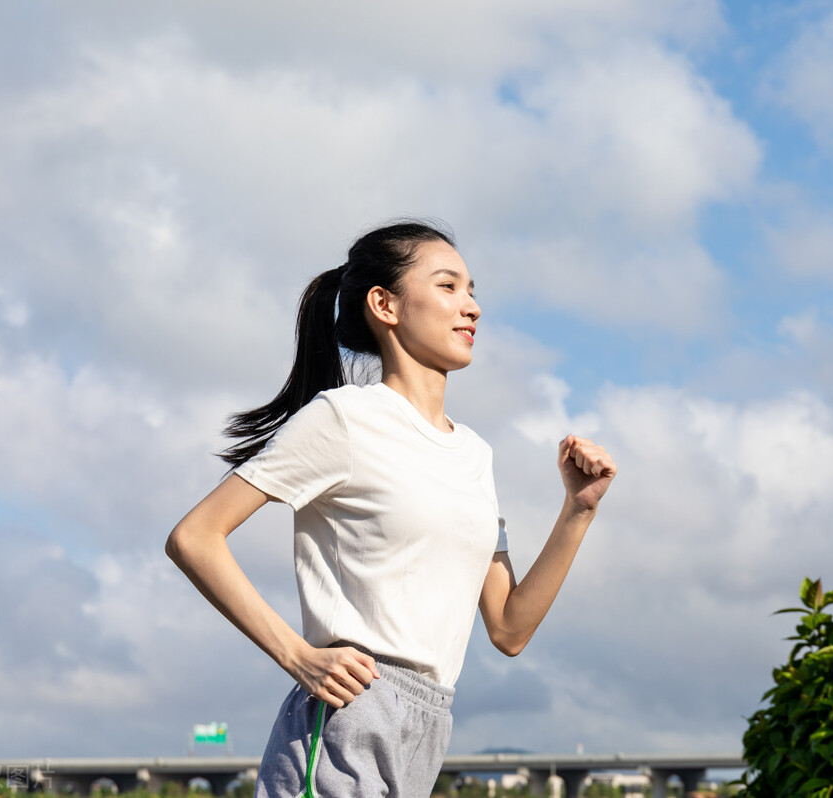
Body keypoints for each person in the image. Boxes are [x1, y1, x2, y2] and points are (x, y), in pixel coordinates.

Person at [165, 220, 617, 797]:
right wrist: (297, 656)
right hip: (351, 710)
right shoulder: (344, 419)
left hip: (430, 724)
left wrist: (578, 510)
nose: (472, 307)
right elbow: (195, 536)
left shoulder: (474, 454)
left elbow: (509, 628)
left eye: (472, 290)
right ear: (385, 305)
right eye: (448, 286)